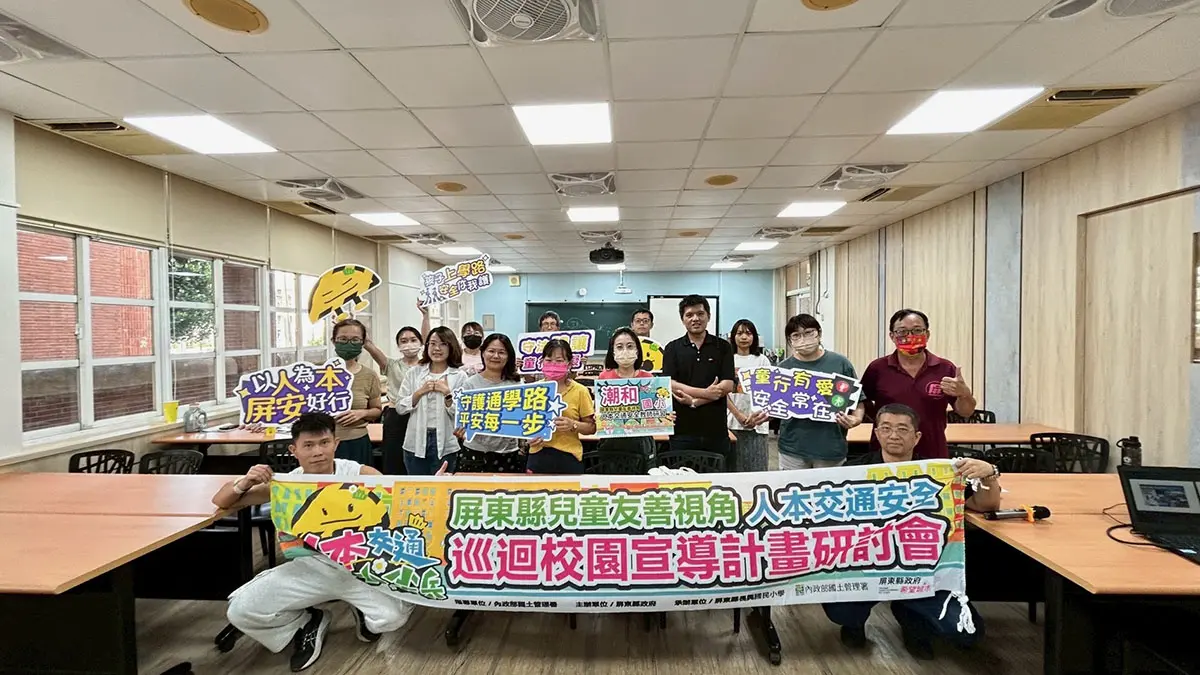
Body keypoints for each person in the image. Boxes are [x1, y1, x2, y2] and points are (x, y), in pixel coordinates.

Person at [216, 412, 412, 672]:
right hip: (308, 568)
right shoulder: (287, 483)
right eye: (308, 445)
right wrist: (244, 481)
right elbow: (221, 501)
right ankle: (308, 622)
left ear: (336, 444)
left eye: (324, 443)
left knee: (392, 619)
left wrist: (437, 487)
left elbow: (401, 500)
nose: (318, 452)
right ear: (294, 450)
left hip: (359, 568)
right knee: (240, 611)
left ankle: (361, 611)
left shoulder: (360, 474)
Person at [822, 403, 999, 660]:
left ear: (917, 437)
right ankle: (854, 623)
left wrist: (990, 474)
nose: (894, 435)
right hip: (866, 568)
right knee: (841, 611)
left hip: (922, 572)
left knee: (967, 634)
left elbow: (986, 505)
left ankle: (911, 618)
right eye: (886, 428)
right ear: (877, 434)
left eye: (902, 429)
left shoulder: (938, 473)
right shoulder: (851, 472)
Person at [861, 309, 977, 460]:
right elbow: (862, 402)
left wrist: (964, 394)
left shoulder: (945, 368)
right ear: (892, 336)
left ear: (927, 334)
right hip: (888, 453)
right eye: (902, 331)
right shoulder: (877, 368)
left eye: (917, 330)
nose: (910, 336)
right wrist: (880, 419)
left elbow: (966, 412)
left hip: (932, 451)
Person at [776, 314, 864, 470]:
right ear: (790, 340)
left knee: (829, 486)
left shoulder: (840, 363)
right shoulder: (783, 369)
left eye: (809, 333)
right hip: (793, 448)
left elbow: (858, 401)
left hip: (830, 447)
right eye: (796, 335)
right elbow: (774, 405)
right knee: (794, 486)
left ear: (819, 333)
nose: (803, 339)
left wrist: (856, 419)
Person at [662, 295, 736, 469]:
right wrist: (704, 393)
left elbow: (727, 384)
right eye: (689, 315)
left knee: (716, 479)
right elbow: (669, 383)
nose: (695, 318)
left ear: (708, 316)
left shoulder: (723, 347)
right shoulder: (672, 348)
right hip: (682, 431)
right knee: (682, 480)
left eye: (700, 313)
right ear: (682, 319)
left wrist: (694, 401)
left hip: (716, 431)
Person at [394, 326, 467, 475]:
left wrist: (447, 394)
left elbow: (461, 413)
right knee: (417, 486)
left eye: (443, 344)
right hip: (415, 441)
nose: (437, 348)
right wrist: (419, 392)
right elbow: (400, 407)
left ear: (451, 346)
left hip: (446, 442)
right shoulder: (414, 372)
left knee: (443, 486)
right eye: (432, 343)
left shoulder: (459, 376)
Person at [456, 333, 526, 473]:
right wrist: (461, 430)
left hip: (508, 453)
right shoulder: (470, 384)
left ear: (509, 356)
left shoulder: (517, 384)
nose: (496, 356)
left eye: (502, 352)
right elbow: (462, 418)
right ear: (483, 353)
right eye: (491, 351)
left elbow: (524, 418)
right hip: (475, 452)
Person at [527, 339, 595, 474]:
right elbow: (521, 424)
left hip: (569, 456)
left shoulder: (580, 391)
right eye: (548, 360)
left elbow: (591, 427)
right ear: (541, 362)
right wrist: (527, 438)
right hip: (537, 455)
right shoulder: (532, 390)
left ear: (569, 364)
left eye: (559, 361)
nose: (553, 364)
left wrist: (573, 425)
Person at [364, 324, 424, 475]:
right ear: (398, 346)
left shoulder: (427, 366)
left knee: (419, 458)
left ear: (421, 343)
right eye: (404, 341)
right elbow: (370, 346)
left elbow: (430, 337)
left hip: (420, 414)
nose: (409, 344)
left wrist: (425, 317)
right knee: (393, 458)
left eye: (413, 340)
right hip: (396, 415)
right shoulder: (391, 365)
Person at [596, 327, 656, 460]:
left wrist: (665, 415)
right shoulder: (604, 377)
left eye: (630, 346)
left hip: (641, 443)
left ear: (637, 350)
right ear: (613, 351)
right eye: (619, 347)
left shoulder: (648, 378)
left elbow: (655, 409)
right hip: (611, 441)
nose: (625, 351)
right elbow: (599, 410)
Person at [329, 319, 382, 467]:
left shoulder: (369, 375)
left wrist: (362, 413)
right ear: (333, 341)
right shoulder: (319, 374)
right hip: (324, 443)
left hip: (357, 442)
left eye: (355, 340)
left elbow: (377, 410)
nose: (348, 343)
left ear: (363, 343)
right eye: (343, 339)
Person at [726, 319, 771, 472]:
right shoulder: (727, 359)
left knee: (757, 467)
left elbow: (769, 392)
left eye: (748, 333)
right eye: (739, 333)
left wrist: (754, 417)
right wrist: (738, 415)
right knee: (733, 467)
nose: (744, 337)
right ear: (733, 337)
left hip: (757, 423)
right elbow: (722, 393)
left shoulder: (762, 360)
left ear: (754, 337)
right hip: (731, 421)